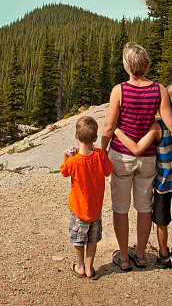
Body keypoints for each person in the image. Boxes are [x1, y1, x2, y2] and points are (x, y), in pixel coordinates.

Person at [101, 43, 172, 272]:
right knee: (145, 207)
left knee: (120, 207)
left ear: (127, 65)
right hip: (148, 158)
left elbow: (108, 126)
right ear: (147, 64)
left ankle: (124, 257)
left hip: (122, 157)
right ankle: (141, 255)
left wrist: (102, 151)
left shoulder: (119, 90)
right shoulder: (159, 89)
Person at [60, 115, 113, 280]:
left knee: (78, 239)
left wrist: (66, 156)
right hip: (95, 209)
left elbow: (63, 171)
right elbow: (108, 171)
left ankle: (80, 265)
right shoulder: (99, 155)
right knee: (92, 239)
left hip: (78, 209)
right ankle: (90, 267)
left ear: (76, 136)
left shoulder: (73, 160)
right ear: (96, 138)